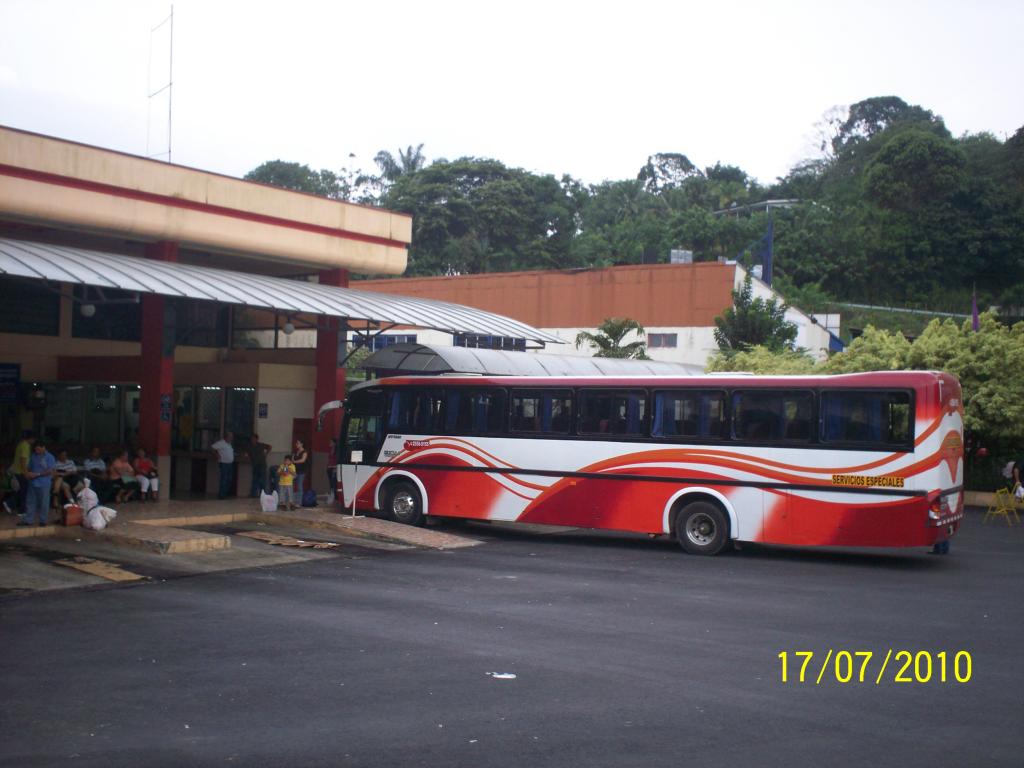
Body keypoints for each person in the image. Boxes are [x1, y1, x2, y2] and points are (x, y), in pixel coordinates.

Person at [21, 440, 55, 527]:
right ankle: (28, 520)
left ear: (44, 447)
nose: (37, 451)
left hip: (44, 483)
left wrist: (37, 474)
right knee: (30, 501)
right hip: (33, 482)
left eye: (38, 449)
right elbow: (29, 467)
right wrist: (28, 473)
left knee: (44, 503)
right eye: (36, 449)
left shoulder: (49, 457)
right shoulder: (33, 456)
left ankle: (43, 520)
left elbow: (50, 471)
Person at [11, 431, 34, 515]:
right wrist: (26, 473)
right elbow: (23, 460)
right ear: (31, 438)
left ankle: (11, 505)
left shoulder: (20, 444)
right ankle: (21, 510)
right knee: (23, 492)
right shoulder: (25, 446)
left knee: (19, 491)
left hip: (17, 471)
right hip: (21, 472)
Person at [211, 431, 235, 499]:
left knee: (229, 479)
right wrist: (217, 455)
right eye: (230, 437)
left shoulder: (229, 444)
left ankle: (225, 493)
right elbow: (212, 447)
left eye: (232, 437)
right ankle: (222, 494)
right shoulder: (221, 443)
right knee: (224, 479)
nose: (231, 438)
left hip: (230, 463)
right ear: (226, 437)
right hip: (224, 463)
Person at [326, 438, 338, 502]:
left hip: (334, 468)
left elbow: (337, 460)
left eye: (331, 442)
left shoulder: (337, 451)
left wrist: (335, 467)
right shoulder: (330, 450)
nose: (330, 443)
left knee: (334, 483)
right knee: (330, 482)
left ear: (334, 443)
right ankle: (332, 494)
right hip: (329, 467)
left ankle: (335, 496)